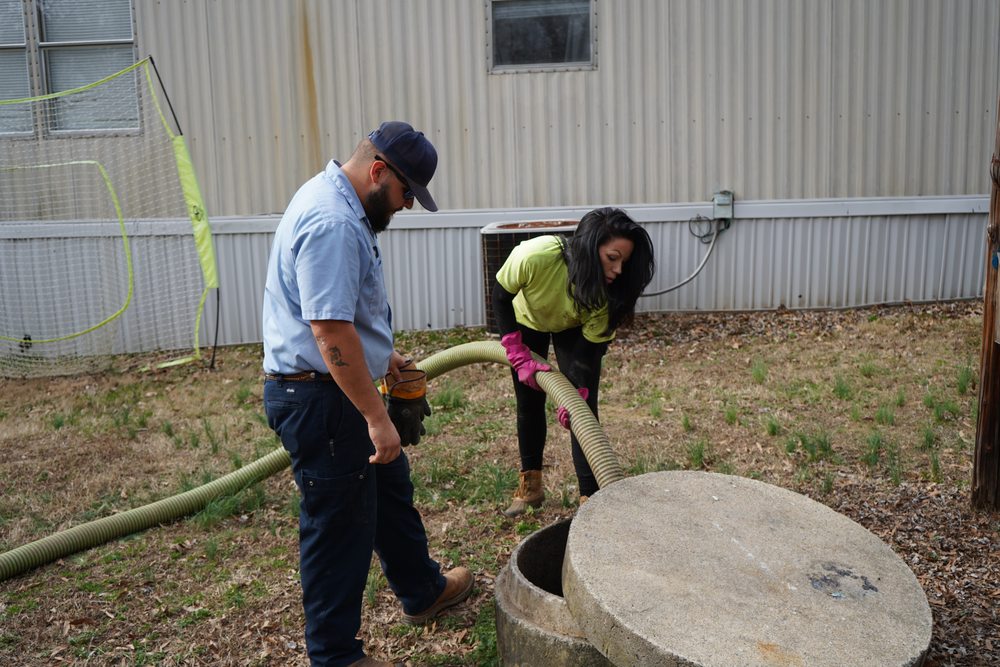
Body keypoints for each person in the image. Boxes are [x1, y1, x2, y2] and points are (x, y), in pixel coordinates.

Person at [262, 121, 473, 667]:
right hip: (322, 401)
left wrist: (385, 359)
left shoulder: (342, 206)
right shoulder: (333, 222)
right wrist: (377, 417)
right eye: (406, 193)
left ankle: (423, 591)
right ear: (378, 170)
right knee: (339, 530)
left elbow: (347, 319)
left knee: (388, 492)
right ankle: (335, 657)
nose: (404, 206)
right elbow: (329, 331)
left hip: (336, 389)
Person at [491, 207, 655, 516]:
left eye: (625, 262)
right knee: (528, 402)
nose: (619, 270)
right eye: (612, 257)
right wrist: (515, 351)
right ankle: (531, 488)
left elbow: (588, 354)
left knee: (583, 410)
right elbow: (501, 295)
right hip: (528, 320)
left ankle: (589, 499)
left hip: (574, 328)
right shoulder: (536, 255)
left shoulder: (607, 297)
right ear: (590, 247)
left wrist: (577, 389)